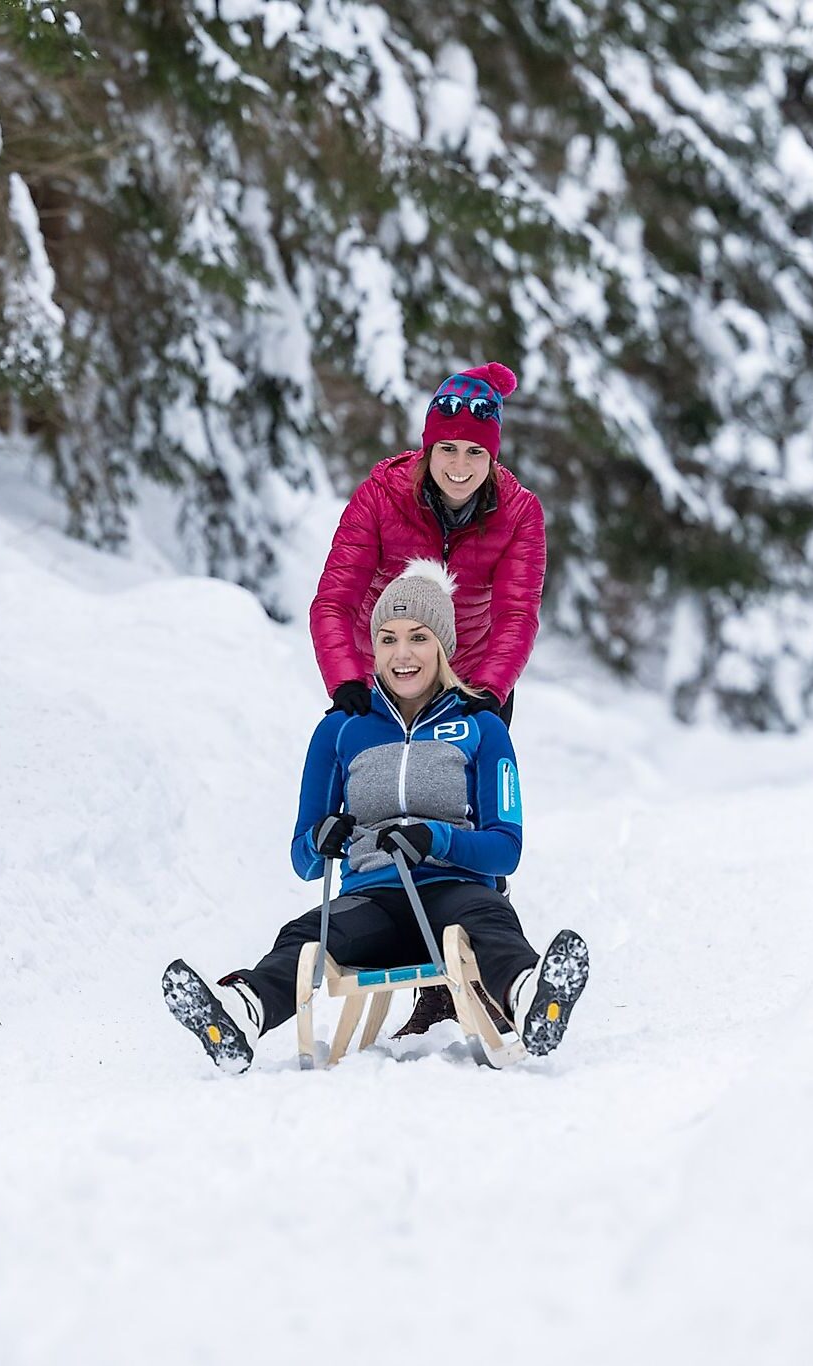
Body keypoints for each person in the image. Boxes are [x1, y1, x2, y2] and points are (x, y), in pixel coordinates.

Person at [162, 560, 588, 1075]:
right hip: (373, 902)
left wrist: (436, 838)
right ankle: (240, 1012)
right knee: (306, 935)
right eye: (387, 639)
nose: (402, 654)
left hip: (456, 892)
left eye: (418, 637)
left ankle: (529, 1001)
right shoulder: (342, 730)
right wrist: (321, 837)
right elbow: (304, 858)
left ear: (443, 645)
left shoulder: (481, 725)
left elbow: (506, 848)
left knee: (491, 922)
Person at [310, 360, 546, 1033]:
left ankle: (479, 976)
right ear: (429, 447)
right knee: (381, 801)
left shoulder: (520, 513)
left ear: (493, 457)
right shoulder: (383, 495)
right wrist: (348, 680)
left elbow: (517, 614)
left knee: (469, 818)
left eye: (476, 452)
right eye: (448, 449)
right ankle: (389, 933)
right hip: (387, 674)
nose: (460, 466)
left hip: (472, 683)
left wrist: (489, 691)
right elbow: (335, 598)